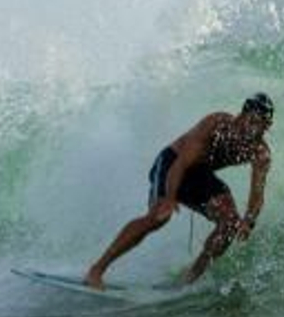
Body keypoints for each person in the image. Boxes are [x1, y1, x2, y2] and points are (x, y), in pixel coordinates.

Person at [86, 93, 274, 289]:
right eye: (253, 121)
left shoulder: (260, 153)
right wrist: (169, 198)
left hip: (200, 175)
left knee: (230, 224)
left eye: (263, 125)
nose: (255, 129)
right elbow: (181, 163)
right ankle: (97, 269)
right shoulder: (217, 124)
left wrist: (249, 221)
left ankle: (190, 279)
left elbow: (257, 195)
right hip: (172, 163)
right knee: (157, 217)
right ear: (241, 116)